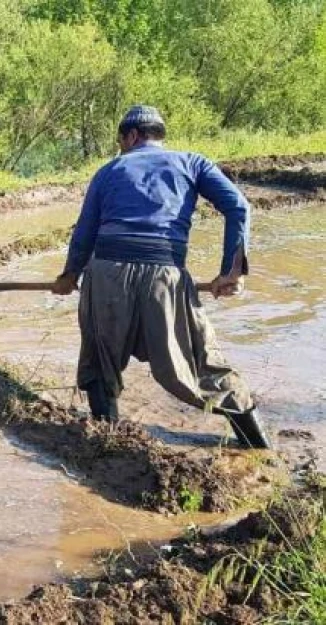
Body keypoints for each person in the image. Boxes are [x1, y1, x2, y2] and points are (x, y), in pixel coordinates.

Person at [51, 105, 270, 449]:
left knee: (99, 359)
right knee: (200, 364)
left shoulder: (108, 171)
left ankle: (108, 445)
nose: (121, 148)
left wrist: (69, 275)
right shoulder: (193, 163)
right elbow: (239, 207)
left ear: (132, 136)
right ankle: (259, 448)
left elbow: (85, 231)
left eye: (121, 141)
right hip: (165, 276)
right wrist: (231, 271)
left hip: (107, 273)